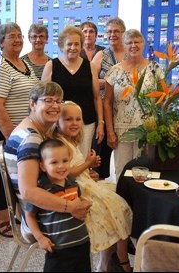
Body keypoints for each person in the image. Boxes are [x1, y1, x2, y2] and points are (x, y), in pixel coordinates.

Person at [4, 81, 92, 241]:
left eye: (58, 101)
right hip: (40, 218)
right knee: (112, 209)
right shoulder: (31, 139)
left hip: (43, 205)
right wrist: (70, 206)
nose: (55, 106)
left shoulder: (32, 129)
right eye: (48, 100)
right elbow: (28, 192)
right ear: (32, 104)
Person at [54, 101, 133, 272]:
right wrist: (86, 164)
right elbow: (66, 173)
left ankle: (110, 261)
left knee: (119, 195)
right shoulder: (59, 145)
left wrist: (88, 171)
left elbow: (76, 169)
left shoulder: (70, 142)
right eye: (68, 119)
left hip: (84, 182)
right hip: (78, 190)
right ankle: (120, 260)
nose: (74, 123)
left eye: (78, 119)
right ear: (57, 122)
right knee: (117, 206)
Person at [0, 22, 39, 238]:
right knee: (0, 174)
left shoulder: (24, 64)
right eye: (11, 37)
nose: (17, 40)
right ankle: (1, 220)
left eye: (19, 35)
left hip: (19, 131)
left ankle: (12, 213)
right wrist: (11, 138)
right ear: (1, 42)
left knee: (14, 174)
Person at [104, 29, 164, 181]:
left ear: (143, 44)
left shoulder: (155, 69)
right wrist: (110, 132)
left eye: (137, 41)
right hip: (121, 131)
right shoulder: (114, 71)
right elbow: (107, 102)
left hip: (147, 130)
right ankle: (122, 205)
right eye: (129, 42)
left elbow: (163, 99)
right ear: (123, 46)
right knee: (122, 173)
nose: (133, 45)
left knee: (144, 174)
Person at [25, 138, 91, 272]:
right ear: (43, 166)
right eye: (54, 162)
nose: (61, 166)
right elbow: (30, 216)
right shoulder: (41, 191)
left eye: (65, 161)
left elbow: (78, 201)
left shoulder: (72, 182)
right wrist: (40, 238)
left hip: (82, 243)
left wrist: (85, 203)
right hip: (58, 248)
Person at [41, 26, 104, 156]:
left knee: (82, 158)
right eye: (69, 44)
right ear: (61, 46)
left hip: (86, 122)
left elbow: (97, 97)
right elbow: (43, 97)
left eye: (77, 44)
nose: (73, 48)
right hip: (58, 123)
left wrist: (101, 123)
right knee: (61, 158)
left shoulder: (90, 66)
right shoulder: (51, 65)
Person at [91, 17, 128, 180]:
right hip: (105, 111)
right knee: (103, 154)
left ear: (123, 33)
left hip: (127, 111)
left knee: (127, 154)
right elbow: (90, 81)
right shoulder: (101, 55)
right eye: (109, 31)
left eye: (116, 31)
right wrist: (110, 82)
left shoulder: (130, 53)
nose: (112, 35)